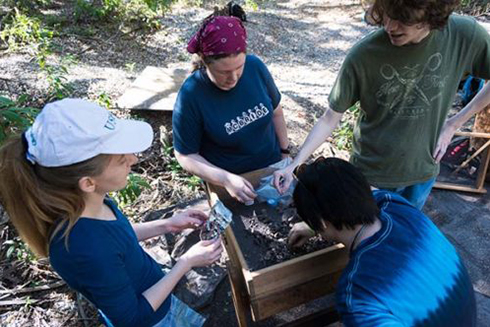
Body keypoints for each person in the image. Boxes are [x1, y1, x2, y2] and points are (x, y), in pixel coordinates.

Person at [0, 99, 223, 327]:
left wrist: (167, 224)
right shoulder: (83, 248)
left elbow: (118, 239)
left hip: (157, 293)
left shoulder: (93, 202)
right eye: (120, 160)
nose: (133, 159)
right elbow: (132, 318)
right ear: (87, 182)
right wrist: (185, 263)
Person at [274, 0, 490, 209]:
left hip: (422, 173)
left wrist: (453, 124)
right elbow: (330, 117)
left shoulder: (463, 36)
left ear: (431, 15)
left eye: (403, 19)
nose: (389, 26)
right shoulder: (364, 55)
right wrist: (295, 163)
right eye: (387, 12)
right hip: (370, 175)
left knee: (401, 236)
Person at [288, 157, 476, 326]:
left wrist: (316, 221)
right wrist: (313, 225)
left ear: (321, 222)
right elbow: (364, 190)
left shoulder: (359, 295)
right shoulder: (395, 204)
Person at [173, 15, 289, 205]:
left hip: (272, 170)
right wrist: (224, 178)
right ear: (205, 61)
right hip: (231, 185)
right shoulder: (192, 94)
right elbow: (185, 155)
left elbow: (276, 112)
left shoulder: (256, 67)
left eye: (239, 68)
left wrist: (285, 155)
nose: (233, 78)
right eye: (224, 72)